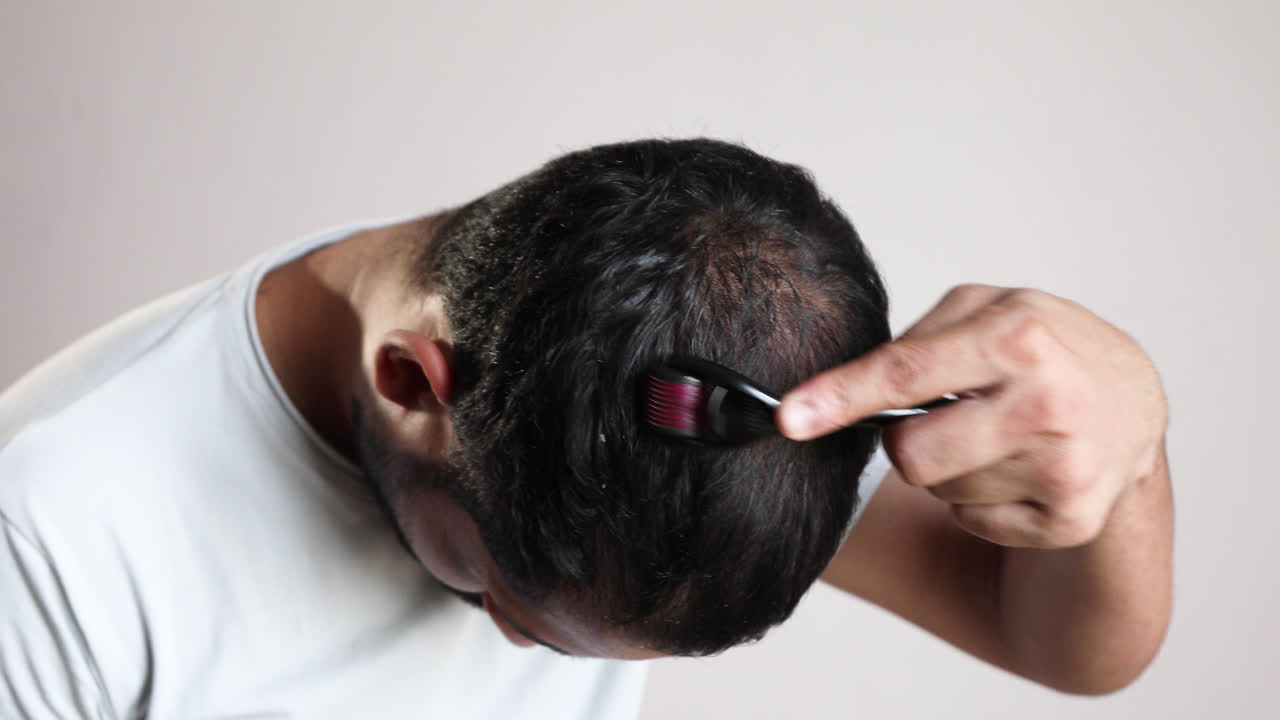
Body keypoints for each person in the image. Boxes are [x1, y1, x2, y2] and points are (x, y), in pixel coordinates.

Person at [0, 139, 1172, 718]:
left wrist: (1125, 465)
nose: (511, 653)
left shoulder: (720, 386)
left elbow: (1064, 644)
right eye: (495, 599)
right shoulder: (49, 539)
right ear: (413, 384)